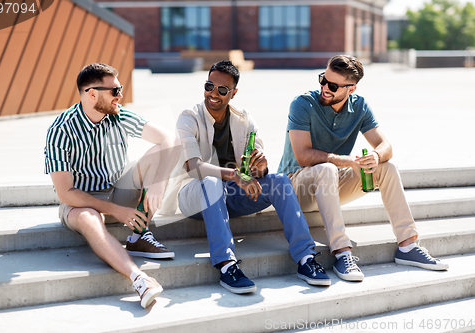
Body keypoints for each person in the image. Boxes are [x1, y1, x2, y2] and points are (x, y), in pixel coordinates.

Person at [278, 55, 449, 282]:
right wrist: (347, 161)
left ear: (351, 89)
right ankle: (342, 252)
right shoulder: (302, 104)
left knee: (386, 167)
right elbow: (303, 155)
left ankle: (407, 246)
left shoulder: (359, 105)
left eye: (332, 85)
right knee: (328, 168)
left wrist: (375, 157)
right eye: (323, 79)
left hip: (329, 185)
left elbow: (385, 145)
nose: (324, 88)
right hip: (294, 188)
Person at [173, 60, 330, 294]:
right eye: (209, 86)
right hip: (194, 195)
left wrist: (261, 168)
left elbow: (256, 172)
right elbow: (193, 166)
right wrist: (235, 175)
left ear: (233, 93)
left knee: (278, 180)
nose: (213, 93)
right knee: (212, 180)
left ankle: (306, 258)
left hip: (233, 195)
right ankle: (227, 265)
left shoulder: (245, 120)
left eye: (222, 90)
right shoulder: (189, 117)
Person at [44, 63, 180, 307]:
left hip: (118, 191)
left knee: (158, 153)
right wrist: (117, 211)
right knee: (88, 217)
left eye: (121, 88)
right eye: (114, 91)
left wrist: (159, 182)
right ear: (92, 94)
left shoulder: (119, 115)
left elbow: (169, 140)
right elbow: (66, 193)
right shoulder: (61, 130)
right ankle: (139, 279)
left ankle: (139, 234)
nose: (120, 95)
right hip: (80, 202)